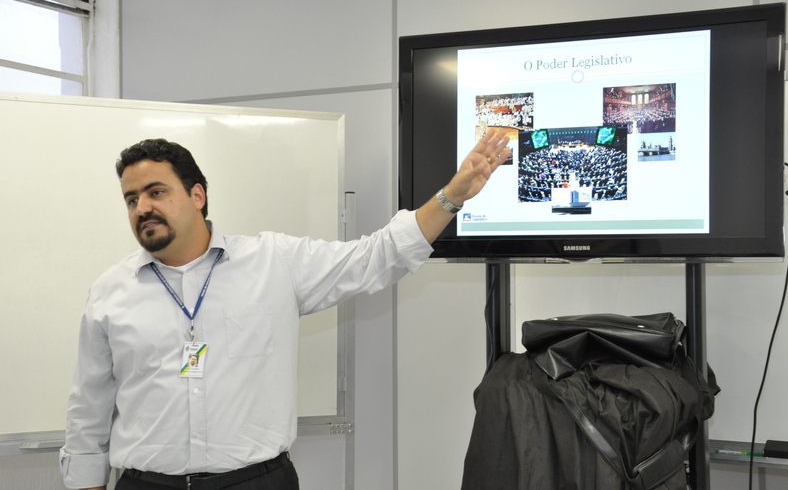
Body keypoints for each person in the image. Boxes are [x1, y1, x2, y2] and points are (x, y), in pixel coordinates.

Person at [60, 134, 512, 490]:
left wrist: (451, 197)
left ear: (197, 195)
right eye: (131, 199)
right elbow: (88, 410)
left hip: (257, 483)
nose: (142, 208)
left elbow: (376, 256)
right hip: (147, 484)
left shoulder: (273, 262)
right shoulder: (110, 291)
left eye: (155, 192)